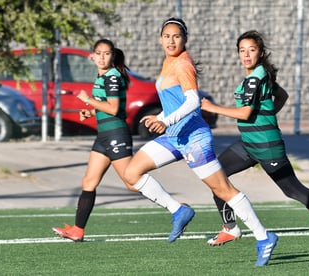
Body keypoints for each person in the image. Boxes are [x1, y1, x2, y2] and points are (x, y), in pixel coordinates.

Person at [122, 18, 278, 266]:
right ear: (161, 38)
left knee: (223, 190)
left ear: (185, 39)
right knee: (131, 173)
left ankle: (264, 236)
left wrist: (166, 120)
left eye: (176, 36)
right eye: (167, 36)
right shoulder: (168, 61)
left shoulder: (183, 64)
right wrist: (161, 117)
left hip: (193, 137)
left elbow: (193, 101)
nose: (171, 40)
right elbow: (175, 101)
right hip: (174, 135)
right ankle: (179, 210)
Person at [200, 30, 309, 254]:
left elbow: (245, 113)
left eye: (251, 50)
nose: (246, 55)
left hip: (267, 147)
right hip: (248, 144)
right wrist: (267, 116)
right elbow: (282, 96)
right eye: (242, 51)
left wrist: (212, 108)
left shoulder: (255, 78)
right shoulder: (262, 74)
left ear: (260, 52)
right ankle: (230, 227)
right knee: (216, 175)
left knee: (294, 191)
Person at [52, 39, 134, 242]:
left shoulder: (112, 77)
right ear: (92, 56)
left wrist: (87, 100)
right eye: (98, 53)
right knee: (89, 181)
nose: (102, 57)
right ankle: (78, 230)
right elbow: (108, 105)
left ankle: (177, 209)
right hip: (104, 136)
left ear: (112, 56)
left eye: (106, 53)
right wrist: (91, 111)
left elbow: (114, 109)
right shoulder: (102, 75)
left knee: (132, 182)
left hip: (115, 134)